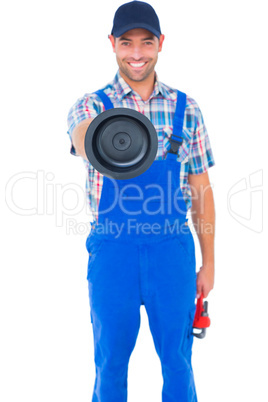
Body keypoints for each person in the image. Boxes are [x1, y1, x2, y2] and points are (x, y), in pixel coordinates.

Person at [67, 1, 215, 401]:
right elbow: (82, 136)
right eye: (127, 42)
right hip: (113, 250)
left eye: (146, 42)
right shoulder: (93, 106)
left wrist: (209, 263)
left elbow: (201, 189)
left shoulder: (187, 109)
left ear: (160, 44)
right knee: (110, 362)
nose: (136, 53)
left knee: (178, 363)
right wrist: (106, 140)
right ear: (112, 44)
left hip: (172, 251)